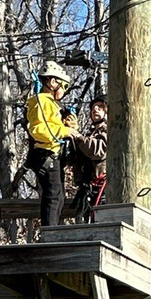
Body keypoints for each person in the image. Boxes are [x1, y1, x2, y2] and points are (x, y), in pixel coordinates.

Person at [26, 61, 76, 227]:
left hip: (53, 155)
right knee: (53, 196)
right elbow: (39, 129)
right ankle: (50, 234)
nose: (64, 90)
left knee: (59, 196)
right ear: (53, 82)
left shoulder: (50, 103)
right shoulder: (42, 101)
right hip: (45, 154)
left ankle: (53, 230)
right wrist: (64, 131)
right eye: (64, 86)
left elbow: (50, 126)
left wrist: (68, 126)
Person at [66, 95, 107, 223]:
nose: (95, 109)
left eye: (100, 106)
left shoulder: (110, 129)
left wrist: (78, 136)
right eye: (93, 107)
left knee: (101, 221)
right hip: (88, 186)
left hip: (103, 186)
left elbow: (97, 150)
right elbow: (76, 158)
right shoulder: (91, 133)